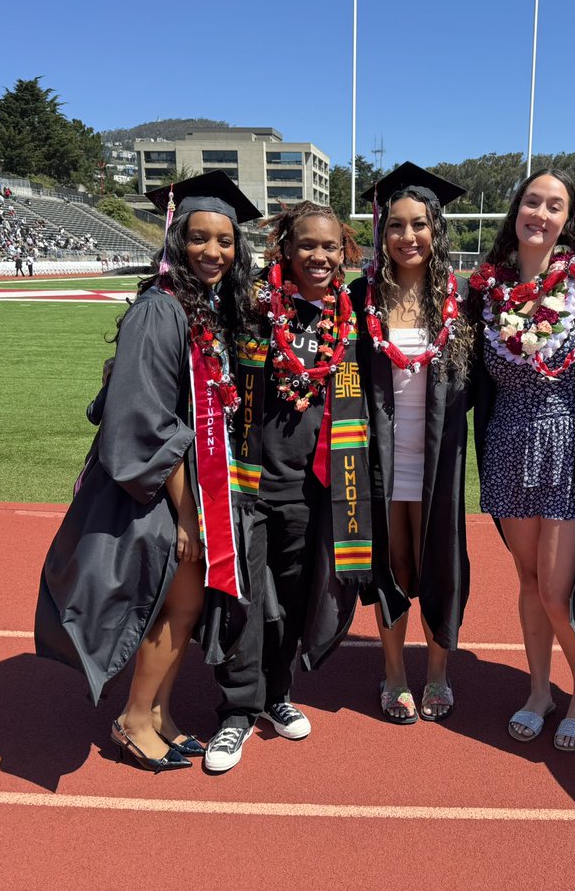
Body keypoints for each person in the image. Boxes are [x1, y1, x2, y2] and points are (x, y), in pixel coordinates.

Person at [35, 171, 259, 773]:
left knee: (182, 604)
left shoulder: (204, 308)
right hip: (157, 489)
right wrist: (188, 511)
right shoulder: (160, 311)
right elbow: (145, 420)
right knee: (173, 604)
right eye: (199, 238)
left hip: (188, 483)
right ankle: (134, 719)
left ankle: (161, 712)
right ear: (174, 240)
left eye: (225, 240)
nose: (213, 251)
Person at [198, 201, 370, 772]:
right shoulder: (249, 305)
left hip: (312, 487)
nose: (319, 257)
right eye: (307, 246)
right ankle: (236, 712)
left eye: (330, 247)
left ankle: (278, 693)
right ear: (286, 249)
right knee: (245, 597)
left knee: (295, 598)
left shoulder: (348, 316)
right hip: (249, 481)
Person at [468, 168, 575, 751]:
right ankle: (538, 691)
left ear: (566, 218)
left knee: (557, 592)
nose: (542, 212)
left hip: (566, 446)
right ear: (517, 209)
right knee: (527, 581)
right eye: (533, 201)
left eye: (555, 205)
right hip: (506, 441)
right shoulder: (487, 289)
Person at [348, 164, 472, 723]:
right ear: (382, 232)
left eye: (419, 224)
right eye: (395, 225)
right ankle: (394, 672)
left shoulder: (462, 299)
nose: (407, 236)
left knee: (438, 563)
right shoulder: (361, 297)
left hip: (439, 458)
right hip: (382, 456)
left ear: (436, 229)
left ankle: (439, 673)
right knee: (392, 565)